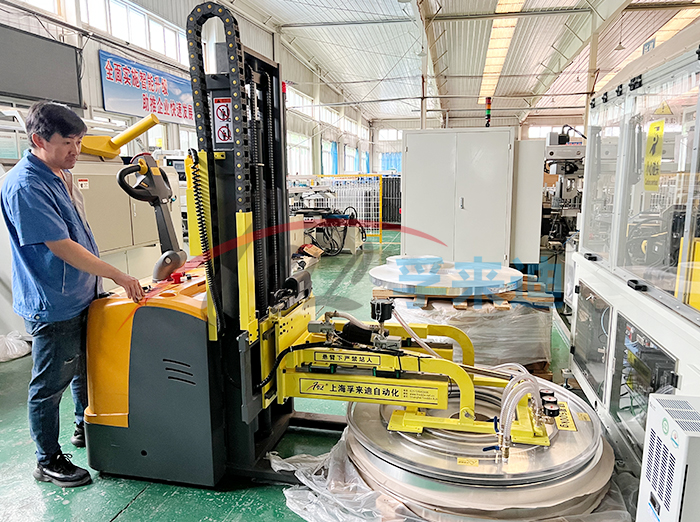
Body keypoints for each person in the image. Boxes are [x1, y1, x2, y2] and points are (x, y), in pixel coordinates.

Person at [0, 101, 145, 487]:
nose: (75, 151)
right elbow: (61, 246)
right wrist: (117, 274)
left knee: (85, 368)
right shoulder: (25, 185)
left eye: (79, 142)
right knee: (50, 384)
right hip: (55, 301)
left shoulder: (59, 173)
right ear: (38, 140)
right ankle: (47, 460)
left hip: (82, 291)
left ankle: (86, 427)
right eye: (67, 143)